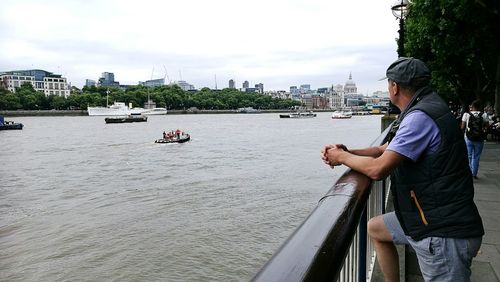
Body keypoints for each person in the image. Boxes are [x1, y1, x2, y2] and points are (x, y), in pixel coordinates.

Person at [321, 57, 484, 282]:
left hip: (442, 231)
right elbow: (384, 149)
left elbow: (378, 169)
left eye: (388, 84)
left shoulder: (419, 117)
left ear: (395, 87)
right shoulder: (427, 107)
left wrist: (341, 157)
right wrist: (348, 152)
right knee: (376, 229)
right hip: (428, 215)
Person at [461, 100, 490, 178]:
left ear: (472, 106)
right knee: (476, 156)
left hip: (468, 138)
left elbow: (462, 127)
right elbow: (487, 126)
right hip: (479, 139)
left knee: (468, 156)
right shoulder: (484, 115)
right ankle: (474, 174)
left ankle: (469, 173)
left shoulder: (466, 114)